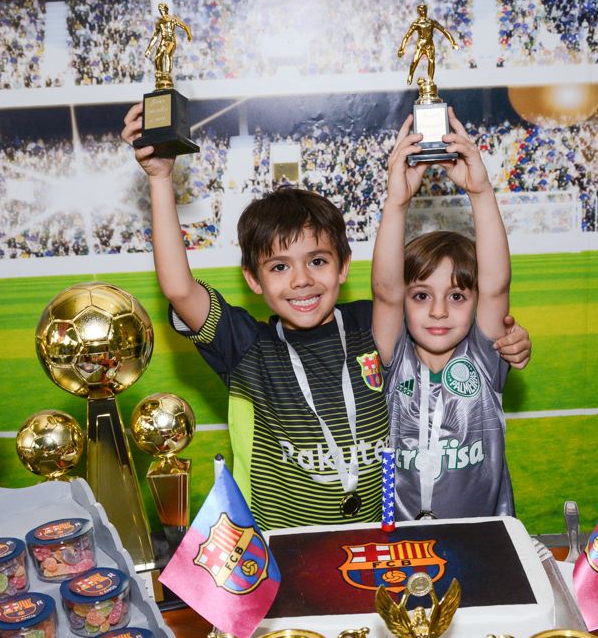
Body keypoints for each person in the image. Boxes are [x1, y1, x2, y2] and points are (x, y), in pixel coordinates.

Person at [121, 105, 530, 530]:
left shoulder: (369, 327)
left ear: (343, 267)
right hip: (282, 549)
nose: (301, 280)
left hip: (372, 545)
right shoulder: (245, 345)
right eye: (280, 266)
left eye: (317, 261)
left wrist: (510, 338)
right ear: (253, 279)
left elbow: (419, 296)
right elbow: (179, 289)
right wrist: (160, 179)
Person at [371, 110, 523, 520]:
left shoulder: (485, 357)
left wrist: (480, 191)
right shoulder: (392, 357)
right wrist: (397, 202)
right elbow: (385, 292)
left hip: (481, 538)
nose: (438, 311)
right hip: (399, 538)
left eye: (456, 296)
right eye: (421, 295)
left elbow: (496, 285)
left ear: (475, 303)